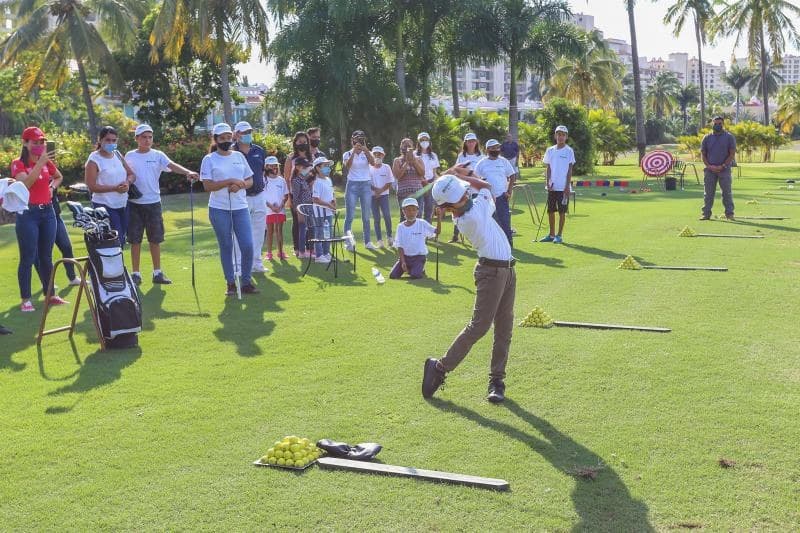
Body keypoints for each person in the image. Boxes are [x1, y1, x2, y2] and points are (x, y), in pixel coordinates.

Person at [423, 169, 516, 403]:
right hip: (491, 273)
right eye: (460, 198)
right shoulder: (471, 217)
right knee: (479, 327)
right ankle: (440, 367)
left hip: (507, 270)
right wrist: (461, 176)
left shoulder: (470, 208)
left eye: (464, 194)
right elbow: (485, 186)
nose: (465, 197)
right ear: (447, 208)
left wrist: (456, 179)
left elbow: (480, 190)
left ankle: (496, 381)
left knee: (504, 327)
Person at [125, 124, 199, 285]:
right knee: (135, 240)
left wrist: (187, 172)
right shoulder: (129, 156)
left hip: (153, 203)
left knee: (155, 239)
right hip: (134, 203)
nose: (147, 140)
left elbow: (172, 165)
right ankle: (135, 274)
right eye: (143, 137)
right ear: (137, 138)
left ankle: (157, 273)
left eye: (150, 137)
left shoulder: (158, 155)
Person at [10, 127, 69, 312]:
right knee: (28, 257)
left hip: (48, 212)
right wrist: (40, 162)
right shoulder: (18, 164)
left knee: (46, 256)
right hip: (28, 214)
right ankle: (26, 299)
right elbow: (26, 184)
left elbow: (59, 177)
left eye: (42, 142)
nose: (39, 145)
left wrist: (52, 186)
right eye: (35, 142)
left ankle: (50, 294)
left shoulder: (46, 162)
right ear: (25, 143)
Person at [200, 123, 259, 296]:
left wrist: (240, 185)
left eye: (228, 137)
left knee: (248, 245)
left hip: (240, 207)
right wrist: (229, 182)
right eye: (222, 138)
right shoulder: (209, 159)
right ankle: (231, 283)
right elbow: (207, 185)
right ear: (216, 139)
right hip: (219, 209)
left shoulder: (239, 156)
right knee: (226, 245)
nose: (226, 141)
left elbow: (250, 180)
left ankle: (246, 282)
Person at [85, 126, 135, 247]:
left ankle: (116, 266)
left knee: (122, 238)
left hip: (122, 204)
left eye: (114, 140)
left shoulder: (117, 154)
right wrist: (114, 188)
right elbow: (91, 186)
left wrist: (127, 183)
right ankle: (113, 266)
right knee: (115, 240)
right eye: (107, 140)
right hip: (104, 205)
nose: (111, 143)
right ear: (100, 140)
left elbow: (131, 174)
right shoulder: (94, 160)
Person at [231, 121, 269, 273]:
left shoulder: (258, 150)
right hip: (241, 197)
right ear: (237, 135)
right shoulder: (232, 152)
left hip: (259, 195)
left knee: (259, 232)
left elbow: (261, 171)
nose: (248, 135)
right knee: (239, 232)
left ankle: (256, 263)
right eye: (244, 132)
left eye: (249, 132)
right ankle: (238, 266)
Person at [475, 139, 515, 245]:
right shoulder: (481, 163)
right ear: (487, 149)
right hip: (487, 198)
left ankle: (509, 245)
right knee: (490, 222)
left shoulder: (503, 161)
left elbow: (512, 176)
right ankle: (494, 245)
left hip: (502, 197)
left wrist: (509, 192)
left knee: (505, 222)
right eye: (492, 148)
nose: (495, 150)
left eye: (497, 147)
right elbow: (475, 179)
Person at [539, 125, 575, 244]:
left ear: (566, 137)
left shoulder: (569, 151)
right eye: (558, 134)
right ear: (555, 136)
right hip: (552, 187)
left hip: (563, 187)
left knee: (562, 211)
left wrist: (567, 186)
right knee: (550, 211)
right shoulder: (550, 150)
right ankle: (551, 234)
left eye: (563, 135)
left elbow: (570, 169)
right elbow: (548, 168)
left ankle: (559, 235)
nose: (560, 137)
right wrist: (547, 183)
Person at [389, 197, 439, 279]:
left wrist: (439, 217)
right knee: (393, 276)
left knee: (415, 275)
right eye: (408, 210)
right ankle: (411, 269)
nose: (411, 212)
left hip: (419, 257)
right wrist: (403, 262)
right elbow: (400, 246)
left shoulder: (422, 223)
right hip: (405, 257)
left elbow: (437, 232)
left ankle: (419, 269)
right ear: (403, 211)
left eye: (413, 209)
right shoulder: (400, 226)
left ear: (417, 211)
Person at [343, 130, 376, 251]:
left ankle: (367, 242)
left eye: (361, 139)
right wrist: (354, 152)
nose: (359, 142)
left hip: (366, 185)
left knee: (366, 216)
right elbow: (347, 166)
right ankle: (348, 243)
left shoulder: (367, 152)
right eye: (357, 139)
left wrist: (365, 150)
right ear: (352, 140)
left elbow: (373, 163)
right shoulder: (347, 153)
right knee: (350, 215)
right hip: (352, 185)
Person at [700, 116, 737, 221]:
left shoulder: (729, 137)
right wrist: (709, 166)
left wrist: (723, 166)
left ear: (723, 124)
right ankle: (706, 214)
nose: (717, 125)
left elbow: (732, 154)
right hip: (710, 170)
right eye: (715, 124)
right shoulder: (706, 138)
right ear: (712, 124)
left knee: (727, 193)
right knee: (708, 193)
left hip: (724, 170)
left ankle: (729, 214)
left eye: (720, 123)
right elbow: (703, 154)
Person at [285, 132, 313, 256]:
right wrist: (289, 198)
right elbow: (286, 178)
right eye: (300, 142)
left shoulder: (311, 157)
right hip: (295, 194)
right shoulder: (291, 158)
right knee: (297, 221)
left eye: (304, 141)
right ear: (295, 143)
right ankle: (297, 248)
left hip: (309, 195)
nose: (302, 144)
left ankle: (308, 247)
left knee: (309, 222)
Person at [450, 132, 482, 242]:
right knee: (459, 210)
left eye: (473, 141)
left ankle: (475, 235)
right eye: (469, 141)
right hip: (463, 188)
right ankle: (455, 235)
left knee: (475, 211)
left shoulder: (481, 156)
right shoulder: (461, 156)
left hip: (476, 187)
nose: (471, 143)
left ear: (476, 142)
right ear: (466, 143)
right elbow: (456, 170)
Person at [392, 137, 425, 221]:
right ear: (401, 147)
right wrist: (406, 162)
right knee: (404, 217)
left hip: (418, 192)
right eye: (404, 146)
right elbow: (397, 176)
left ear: (412, 147)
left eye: (408, 146)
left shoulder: (418, 159)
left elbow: (422, 173)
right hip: (403, 193)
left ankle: (418, 233)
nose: (406, 148)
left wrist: (413, 161)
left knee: (418, 215)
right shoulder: (397, 160)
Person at [311, 156, 336, 264]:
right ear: (317, 168)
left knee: (328, 233)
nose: (328, 168)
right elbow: (315, 199)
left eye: (328, 166)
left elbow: (332, 194)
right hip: (319, 213)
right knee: (320, 233)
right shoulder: (316, 182)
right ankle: (319, 255)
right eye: (325, 166)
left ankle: (326, 253)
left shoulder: (328, 180)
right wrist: (328, 205)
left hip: (328, 212)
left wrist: (334, 204)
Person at [264, 156, 288, 261]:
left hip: (280, 210)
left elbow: (286, 195)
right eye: (271, 165)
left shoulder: (281, 180)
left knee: (279, 230)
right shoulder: (263, 179)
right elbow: (261, 196)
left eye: (275, 165)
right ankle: (269, 253)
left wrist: (281, 205)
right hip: (268, 210)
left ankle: (280, 252)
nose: (274, 167)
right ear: (266, 166)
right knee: (270, 231)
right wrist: (271, 206)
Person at [369, 145, 394, 248]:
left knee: (387, 216)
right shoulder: (369, 168)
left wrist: (380, 191)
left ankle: (389, 237)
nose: (377, 156)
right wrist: (376, 190)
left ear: (383, 155)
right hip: (372, 197)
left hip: (384, 195)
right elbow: (367, 182)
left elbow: (390, 182)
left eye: (379, 154)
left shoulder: (386, 167)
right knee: (376, 218)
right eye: (375, 154)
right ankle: (379, 240)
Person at [290, 157, 315, 258]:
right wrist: (298, 210)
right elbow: (295, 197)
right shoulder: (296, 180)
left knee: (310, 228)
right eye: (304, 167)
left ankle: (309, 250)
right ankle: (301, 252)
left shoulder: (305, 179)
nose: (306, 169)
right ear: (298, 167)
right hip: (302, 207)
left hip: (309, 206)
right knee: (302, 229)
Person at [415, 132, 440, 223]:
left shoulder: (433, 156)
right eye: (422, 140)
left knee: (429, 209)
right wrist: (422, 180)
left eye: (426, 140)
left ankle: (427, 232)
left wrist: (437, 181)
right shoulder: (414, 154)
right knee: (419, 209)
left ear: (429, 141)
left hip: (430, 184)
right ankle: (418, 230)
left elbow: (435, 173)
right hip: (418, 184)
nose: (424, 142)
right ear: (418, 142)